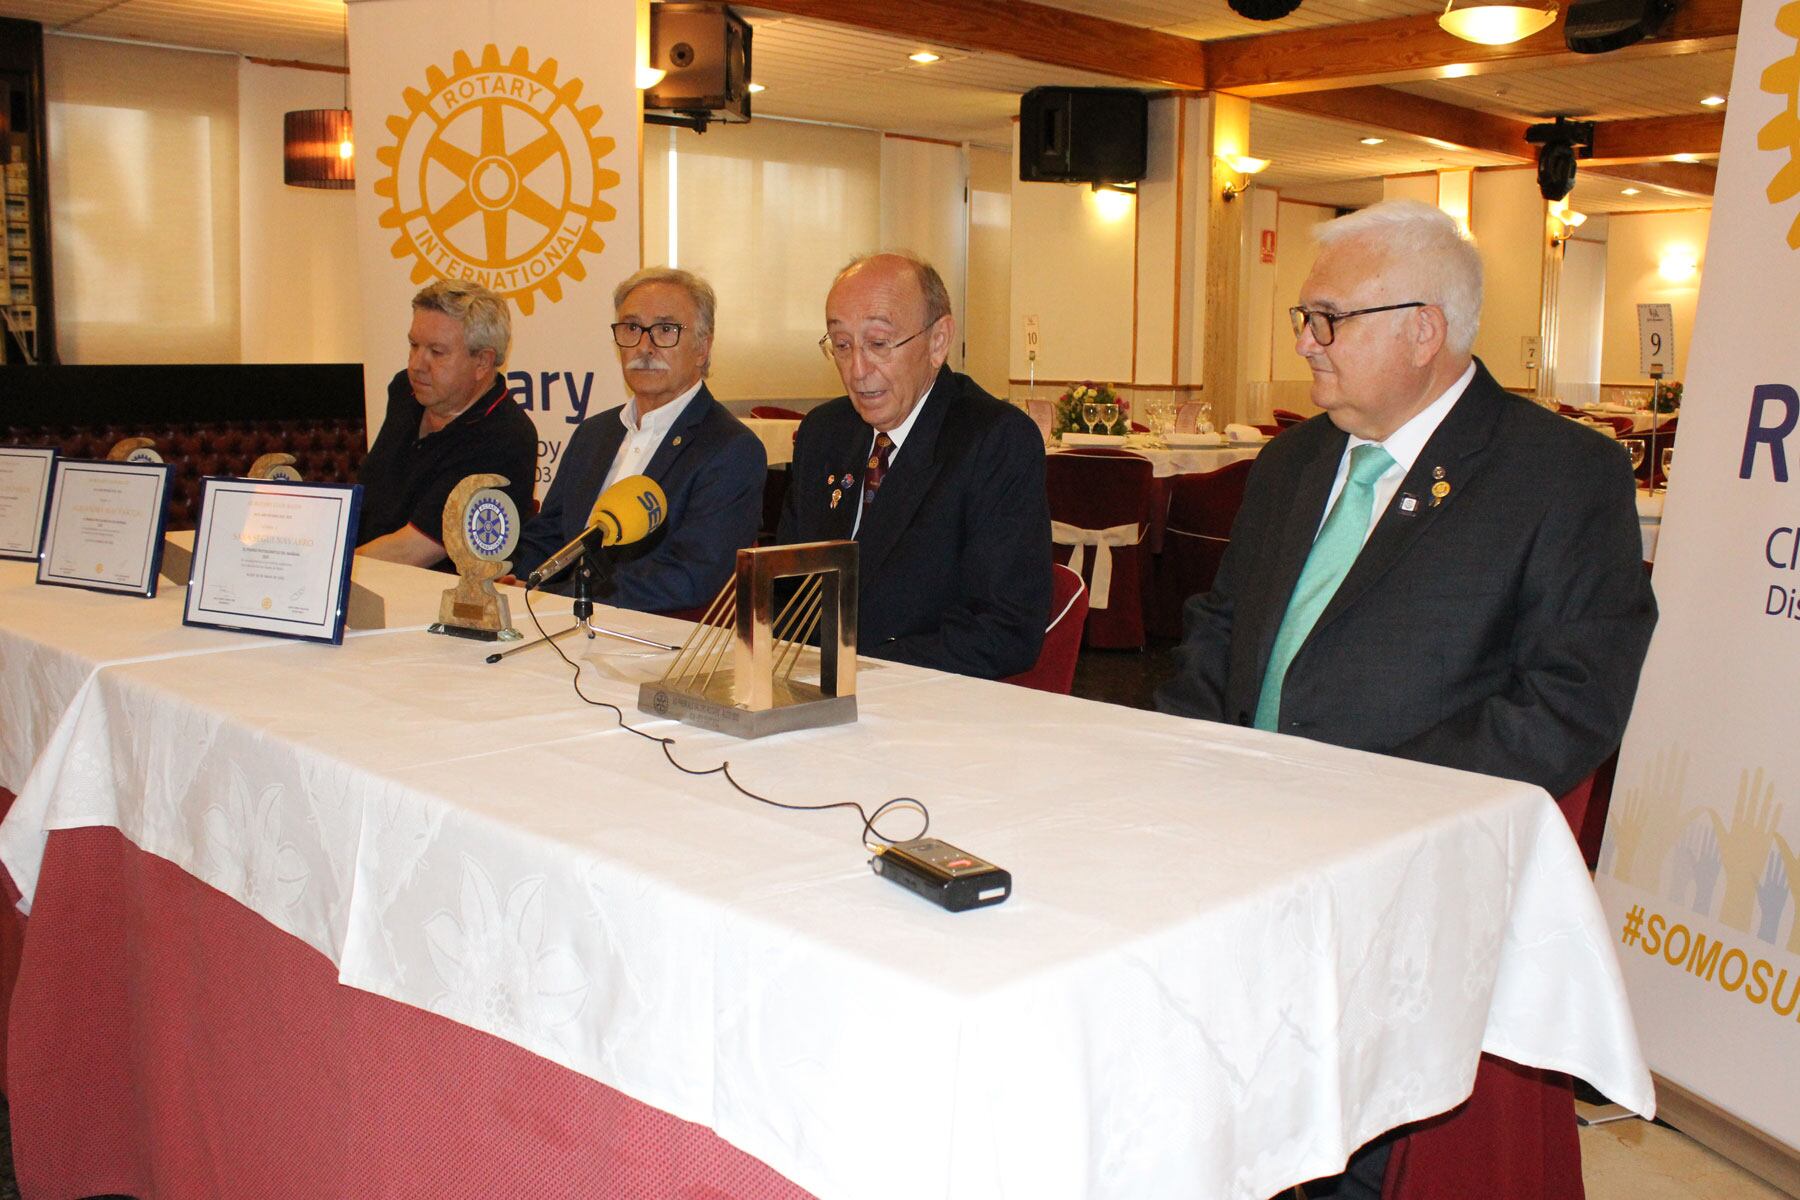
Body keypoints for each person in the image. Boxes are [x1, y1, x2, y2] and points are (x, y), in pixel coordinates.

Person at [1156, 200, 1657, 1197]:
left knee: (1346, 1143)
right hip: (1233, 842)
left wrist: (1375, 808)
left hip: (1409, 868)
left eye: (1327, 318)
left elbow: (1569, 700)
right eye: (1305, 316)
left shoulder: (1557, 474)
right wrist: (1183, 763)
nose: (1304, 341)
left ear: (1424, 329)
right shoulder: (1297, 458)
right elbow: (1221, 626)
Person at [778, 251, 1051, 679]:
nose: (857, 370)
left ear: (938, 341)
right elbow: (787, 586)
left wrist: (854, 670)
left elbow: (1005, 629)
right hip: (807, 688)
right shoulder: (824, 432)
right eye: (842, 346)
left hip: (924, 700)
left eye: (879, 343)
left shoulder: (993, 439)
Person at [511, 267, 764, 612]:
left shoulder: (730, 448)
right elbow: (551, 537)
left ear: (702, 348)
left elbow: (689, 577)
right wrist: (505, 574)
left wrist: (562, 597)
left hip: (653, 644)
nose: (644, 346)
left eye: (665, 330)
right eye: (631, 328)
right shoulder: (593, 433)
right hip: (559, 625)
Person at [356, 279, 538, 568]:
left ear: (482, 362)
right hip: (370, 580)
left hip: (436, 601)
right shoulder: (405, 391)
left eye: (436, 352)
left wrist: (329, 569)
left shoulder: (505, 436)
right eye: (414, 345)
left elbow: (416, 549)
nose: (416, 364)